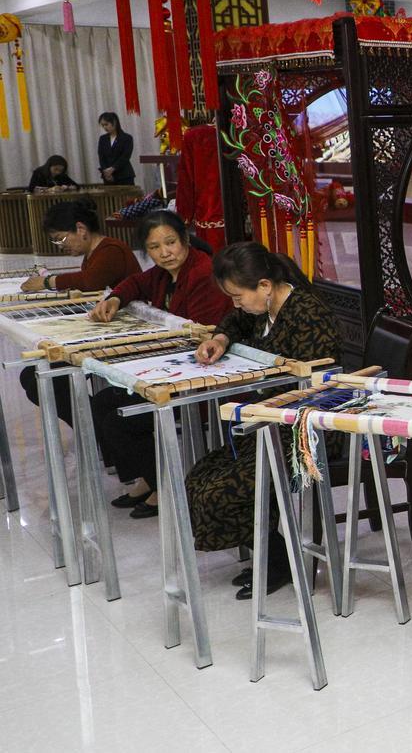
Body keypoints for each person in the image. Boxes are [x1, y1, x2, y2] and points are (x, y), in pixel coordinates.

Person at [185, 243, 342, 599]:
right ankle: (273, 554)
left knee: (222, 491)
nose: (236, 304)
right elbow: (235, 321)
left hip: (308, 429)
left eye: (238, 297)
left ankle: (280, 561)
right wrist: (221, 338)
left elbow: (312, 387)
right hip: (272, 422)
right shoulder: (262, 309)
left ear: (265, 286)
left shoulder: (307, 314)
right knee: (200, 477)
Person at [88, 211, 232, 520]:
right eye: (154, 247)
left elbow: (199, 333)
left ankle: (164, 487)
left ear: (185, 240)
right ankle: (148, 477)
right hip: (171, 367)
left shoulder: (202, 273)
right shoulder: (163, 273)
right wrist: (115, 300)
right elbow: (134, 283)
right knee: (100, 403)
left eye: (170, 243)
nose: (165, 252)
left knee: (119, 418)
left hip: (199, 378)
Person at [18, 201, 141, 422]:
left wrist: (47, 282)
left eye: (61, 238)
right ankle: (93, 427)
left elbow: (89, 281)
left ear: (81, 228)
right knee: (33, 377)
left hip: (125, 336)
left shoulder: (111, 250)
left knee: (40, 379)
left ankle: (94, 427)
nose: (60, 245)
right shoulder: (93, 254)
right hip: (104, 333)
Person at [97, 112, 135, 185]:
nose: (104, 127)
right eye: (103, 125)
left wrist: (113, 168)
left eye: (106, 124)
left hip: (124, 176)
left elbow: (125, 156)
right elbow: (101, 157)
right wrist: (106, 172)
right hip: (108, 177)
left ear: (114, 123)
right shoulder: (102, 139)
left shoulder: (127, 138)